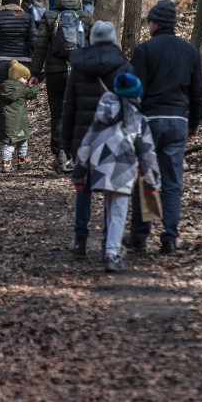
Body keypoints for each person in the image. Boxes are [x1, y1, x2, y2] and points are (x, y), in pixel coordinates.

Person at [125, 0, 202, 255]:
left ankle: (140, 235)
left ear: (155, 23)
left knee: (145, 178)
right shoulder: (190, 51)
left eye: (148, 21)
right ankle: (169, 237)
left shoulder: (144, 51)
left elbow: (135, 91)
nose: (147, 25)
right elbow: (197, 91)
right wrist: (193, 123)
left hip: (149, 121)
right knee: (172, 181)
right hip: (179, 121)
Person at [71, 73, 160, 271]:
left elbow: (86, 142)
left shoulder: (101, 116)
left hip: (100, 167)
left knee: (111, 209)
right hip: (123, 169)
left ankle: (111, 248)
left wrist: (80, 171)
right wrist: (153, 182)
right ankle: (112, 253)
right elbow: (147, 153)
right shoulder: (137, 119)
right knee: (118, 212)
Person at [61, 20, 131, 259]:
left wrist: (66, 140)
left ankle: (80, 241)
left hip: (83, 137)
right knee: (113, 191)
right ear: (113, 39)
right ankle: (107, 243)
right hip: (114, 138)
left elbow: (69, 104)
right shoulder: (123, 66)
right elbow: (129, 106)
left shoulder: (78, 65)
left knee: (83, 187)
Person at [29, 0, 92, 172]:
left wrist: (35, 73)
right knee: (78, 112)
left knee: (57, 114)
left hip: (55, 72)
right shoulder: (86, 16)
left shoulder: (49, 16)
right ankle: (78, 154)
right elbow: (93, 46)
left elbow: (40, 47)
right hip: (80, 72)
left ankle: (59, 154)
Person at [0, 60, 39, 172]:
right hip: (20, 122)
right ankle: (22, 160)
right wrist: (34, 85)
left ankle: (6, 163)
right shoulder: (23, 89)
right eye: (24, 78)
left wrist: (1, 113)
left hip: (6, 122)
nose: (26, 81)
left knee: (8, 142)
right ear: (16, 77)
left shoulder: (2, 88)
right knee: (23, 141)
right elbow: (33, 94)